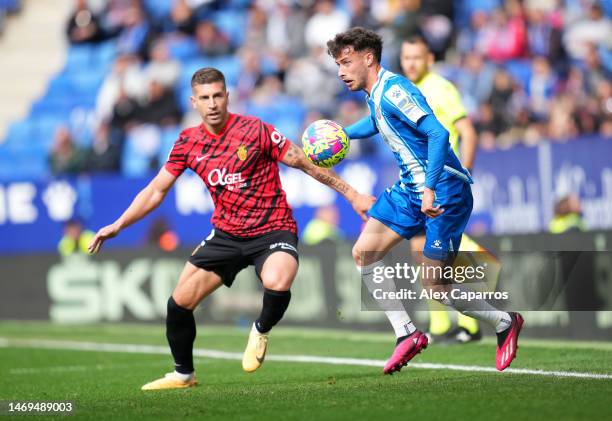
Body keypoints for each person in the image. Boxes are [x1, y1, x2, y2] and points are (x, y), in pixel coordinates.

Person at [88, 67, 374, 390]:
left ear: (228, 97)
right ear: (193, 102)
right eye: (205, 98)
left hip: (272, 228)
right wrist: (118, 225)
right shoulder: (187, 142)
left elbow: (303, 162)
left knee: (278, 279)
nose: (212, 104)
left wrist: (352, 195)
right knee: (179, 302)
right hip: (226, 234)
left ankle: (260, 329)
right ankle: (184, 375)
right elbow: (156, 190)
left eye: (218, 96)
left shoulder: (255, 130)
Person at [326, 27, 523, 374]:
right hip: (409, 190)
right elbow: (377, 121)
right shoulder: (375, 94)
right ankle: (407, 333)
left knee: (437, 285)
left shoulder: (395, 89)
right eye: (338, 64)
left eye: (346, 62)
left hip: (444, 192)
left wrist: (430, 187)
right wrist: (341, 134)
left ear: (368, 58)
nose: (341, 71)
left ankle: (505, 321)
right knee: (364, 252)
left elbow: (438, 132)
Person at [400, 35, 488, 344]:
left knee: (445, 249)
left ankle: (471, 323)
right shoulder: (406, 91)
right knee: (422, 250)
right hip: (421, 182)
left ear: (429, 60)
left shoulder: (441, 88)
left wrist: (465, 172)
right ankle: (441, 326)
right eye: (406, 57)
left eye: (416, 57)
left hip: (444, 181)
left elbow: (467, 132)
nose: (410, 63)